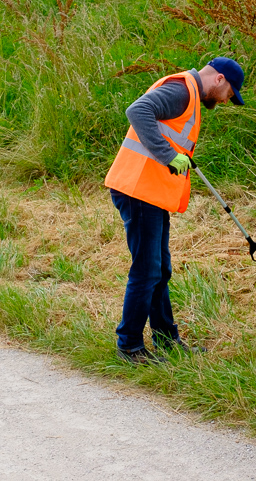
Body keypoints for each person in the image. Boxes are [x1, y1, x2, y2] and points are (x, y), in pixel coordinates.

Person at [104, 57, 245, 364]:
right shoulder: (182, 90)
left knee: (160, 269)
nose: (225, 101)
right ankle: (129, 346)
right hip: (138, 190)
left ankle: (167, 339)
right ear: (220, 79)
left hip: (150, 192)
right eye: (229, 95)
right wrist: (169, 154)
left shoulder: (191, 94)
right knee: (147, 270)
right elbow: (137, 110)